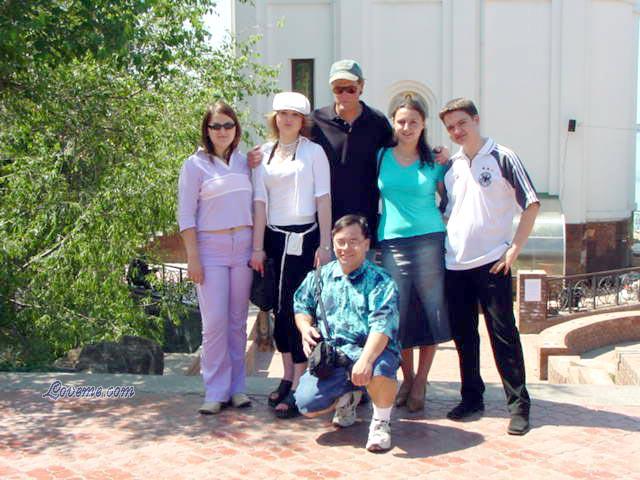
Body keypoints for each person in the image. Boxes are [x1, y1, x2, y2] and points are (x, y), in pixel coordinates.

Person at [439, 98, 540, 435]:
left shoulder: (502, 156)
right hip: (455, 265)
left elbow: (531, 203)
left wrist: (514, 249)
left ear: (476, 119)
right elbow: (447, 210)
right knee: (464, 336)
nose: (457, 131)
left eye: (462, 123)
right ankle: (471, 398)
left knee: (503, 335)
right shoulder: (451, 166)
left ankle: (519, 405)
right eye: (450, 127)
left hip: (493, 264)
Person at [249, 91, 332, 418]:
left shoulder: (314, 152)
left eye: (294, 115)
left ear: (302, 121)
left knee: (300, 309)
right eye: (283, 114)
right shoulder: (263, 154)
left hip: (306, 239)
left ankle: (299, 381)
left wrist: (325, 244)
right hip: (274, 240)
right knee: (279, 310)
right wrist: (257, 247)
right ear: (275, 118)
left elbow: (323, 199)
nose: (287, 119)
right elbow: (259, 203)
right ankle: (287, 375)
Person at [293, 215, 401, 453]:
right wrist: (305, 327)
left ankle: (381, 422)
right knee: (306, 404)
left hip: (372, 351)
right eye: (340, 242)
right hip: (335, 356)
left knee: (381, 368)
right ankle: (347, 398)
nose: (346, 248)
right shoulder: (319, 277)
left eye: (353, 241)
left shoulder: (381, 281)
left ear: (366, 243)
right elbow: (301, 305)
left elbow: (382, 326)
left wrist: (366, 361)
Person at [177, 101, 253, 414]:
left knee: (237, 322)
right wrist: (192, 257)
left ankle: (237, 388)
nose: (222, 131)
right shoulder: (194, 165)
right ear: (207, 130)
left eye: (228, 125)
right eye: (216, 126)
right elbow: (186, 215)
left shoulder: (246, 162)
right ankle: (215, 390)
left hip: (243, 247)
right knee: (215, 323)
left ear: (236, 128)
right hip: (211, 249)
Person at [377, 97, 452, 412]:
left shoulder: (435, 161)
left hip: (429, 241)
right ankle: (406, 378)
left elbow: (452, 199)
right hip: (392, 242)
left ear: (423, 125)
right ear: (393, 123)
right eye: (401, 121)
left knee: (430, 310)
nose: (406, 127)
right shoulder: (381, 156)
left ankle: (421, 380)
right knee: (400, 314)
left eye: (413, 122)